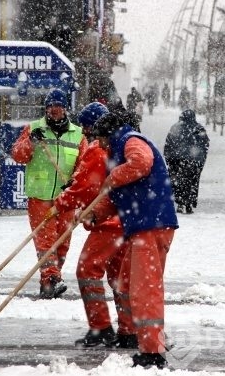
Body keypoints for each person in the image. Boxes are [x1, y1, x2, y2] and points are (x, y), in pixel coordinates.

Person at [89, 113, 179, 369]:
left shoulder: (130, 140)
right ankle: (136, 335)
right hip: (143, 226)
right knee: (126, 282)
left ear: (109, 134)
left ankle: (153, 351)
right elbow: (115, 196)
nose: (100, 145)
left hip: (152, 225)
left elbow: (143, 162)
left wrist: (111, 178)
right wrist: (93, 215)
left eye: (100, 139)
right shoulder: (118, 152)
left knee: (145, 290)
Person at [45, 102, 137, 349]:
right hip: (125, 219)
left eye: (86, 128)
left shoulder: (98, 150)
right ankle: (129, 330)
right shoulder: (120, 147)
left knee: (87, 270)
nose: (84, 133)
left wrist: (63, 201)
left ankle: (101, 327)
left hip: (107, 222)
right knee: (120, 276)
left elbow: (87, 186)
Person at [11, 88, 88, 299]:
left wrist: (74, 181)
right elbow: (18, 154)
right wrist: (31, 142)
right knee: (46, 241)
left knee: (62, 242)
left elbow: (84, 164)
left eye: (59, 106)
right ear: (46, 108)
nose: (55, 110)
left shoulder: (78, 134)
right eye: (51, 106)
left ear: (65, 108)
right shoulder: (34, 129)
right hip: (41, 196)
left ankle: (50, 283)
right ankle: (52, 278)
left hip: (66, 197)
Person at [164, 109, 210, 214]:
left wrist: (169, 158)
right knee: (192, 183)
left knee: (179, 182)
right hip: (193, 161)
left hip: (177, 160)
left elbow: (168, 143)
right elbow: (205, 145)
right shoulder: (198, 129)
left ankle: (180, 203)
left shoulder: (175, 128)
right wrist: (200, 160)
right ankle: (189, 204)